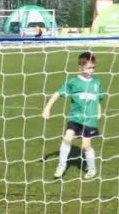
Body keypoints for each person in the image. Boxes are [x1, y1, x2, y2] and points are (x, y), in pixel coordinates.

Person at [42, 50, 104, 180]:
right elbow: (57, 94)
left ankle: (91, 168)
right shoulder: (72, 82)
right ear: (80, 67)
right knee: (67, 138)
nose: (91, 70)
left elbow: (98, 99)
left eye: (93, 67)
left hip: (90, 119)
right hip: (75, 117)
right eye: (88, 68)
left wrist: (99, 111)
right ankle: (61, 165)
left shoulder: (97, 83)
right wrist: (47, 108)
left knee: (85, 146)